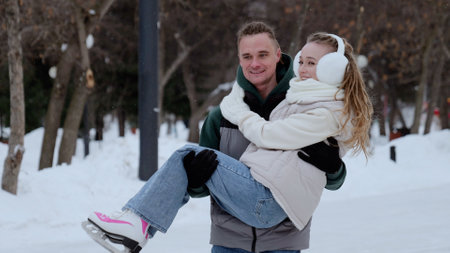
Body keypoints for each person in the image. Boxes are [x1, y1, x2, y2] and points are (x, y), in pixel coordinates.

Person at [82, 22, 347, 253]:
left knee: (186, 153)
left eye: (263, 54)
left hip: (282, 241)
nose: (255, 63)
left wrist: (334, 168)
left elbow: (325, 179)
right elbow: (202, 185)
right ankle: (136, 226)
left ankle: (136, 223)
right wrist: (197, 179)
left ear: (278, 55)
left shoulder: (302, 103)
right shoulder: (221, 116)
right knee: (190, 157)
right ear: (239, 59)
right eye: (247, 56)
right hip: (230, 243)